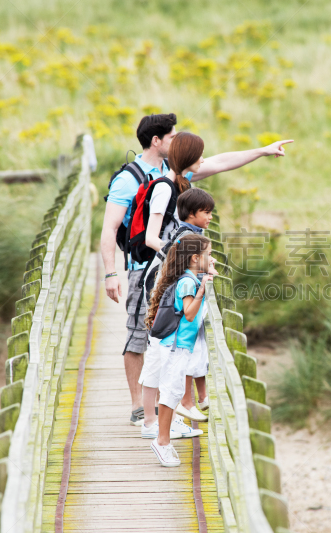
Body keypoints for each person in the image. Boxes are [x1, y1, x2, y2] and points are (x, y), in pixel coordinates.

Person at [101, 112, 292, 426]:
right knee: (140, 333)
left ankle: (165, 407)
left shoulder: (174, 172)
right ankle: (140, 407)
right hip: (144, 265)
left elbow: (218, 161)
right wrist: (111, 273)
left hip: (172, 268)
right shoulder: (130, 178)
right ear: (156, 141)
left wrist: (261, 150)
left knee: (169, 333)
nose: (178, 140)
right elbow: (109, 229)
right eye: (173, 136)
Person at [138, 188, 216, 438]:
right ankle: (158, 430)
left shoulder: (185, 237)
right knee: (161, 376)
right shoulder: (187, 240)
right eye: (207, 212)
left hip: (163, 313)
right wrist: (202, 286)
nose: (211, 217)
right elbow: (190, 313)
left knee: (160, 374)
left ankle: (159, 423)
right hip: (168, 324)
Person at [145, 234, 213, 467]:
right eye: (208, 255)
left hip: (180, 345)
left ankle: (163, 440)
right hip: (175, 346)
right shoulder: (188, 282)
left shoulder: (191, 278)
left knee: (172, 391)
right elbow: (189, 313)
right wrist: (202, 290)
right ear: (195, 258)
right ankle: (162, 442)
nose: (211, 258)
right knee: (171, 391)